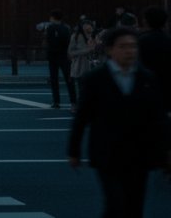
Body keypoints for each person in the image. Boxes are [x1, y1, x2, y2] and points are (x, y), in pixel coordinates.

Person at [68, 26, 171, 218]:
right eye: (123, 46)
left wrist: (166, 150)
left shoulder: (146, 78)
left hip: (140, 152)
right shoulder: (95, 79)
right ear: (109, 49)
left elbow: (158, 118)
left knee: (135, 206)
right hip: (107, 152)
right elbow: (82, 118)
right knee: (115, 204)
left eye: (133, 46)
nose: (129, 51)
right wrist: (74, 150)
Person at [137, 6, 171, 111]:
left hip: (146, 88)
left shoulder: (141, 41)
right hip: (166, 88)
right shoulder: (168, 40)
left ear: (146, 21)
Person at [45, 10, 77, 109]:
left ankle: (56, 102)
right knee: (69, 79)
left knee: (54, 80)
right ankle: (73, 102)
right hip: (64, 55)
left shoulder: (50, 28)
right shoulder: (66, 28)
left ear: (53, 18)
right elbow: (69, 41)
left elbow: (48, 41)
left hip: (53, 56)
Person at [69, 20, 101, 108]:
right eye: (88, 25)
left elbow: (99, 51)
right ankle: (79, 106)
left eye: (91, 25)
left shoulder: (95, 36)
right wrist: (86, 50)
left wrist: (98, 45)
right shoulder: (75, 37)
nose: (90, 27)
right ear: (83, 26)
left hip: (95, 66)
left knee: (94, 88)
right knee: (81, 88)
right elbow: (71, 52)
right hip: (81, 66)